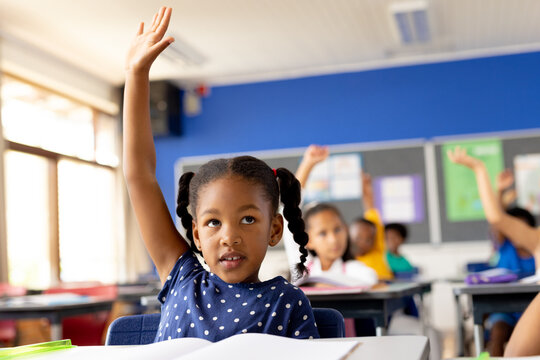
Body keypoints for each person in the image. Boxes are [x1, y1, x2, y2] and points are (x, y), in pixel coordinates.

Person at [124, 6, 319, 342]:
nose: (229, 236)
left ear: (274, 229)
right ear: (197, 235)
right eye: (213, 223)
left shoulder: (286, 302)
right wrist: (136, 74)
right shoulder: (181, 276)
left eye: (247, 219)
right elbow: (139, 174)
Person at [447, 147, 539, 356]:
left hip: (528, 307)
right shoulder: (522, 242)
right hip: (510, 310)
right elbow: (498, 219)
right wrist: (480, 170)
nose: (515, 234)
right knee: (499, 334)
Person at [302, 203, 378, 286]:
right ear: (308, 241)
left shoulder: (356, 270)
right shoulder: (303, 272)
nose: (333, 240)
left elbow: (371, 279)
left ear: (346, 229)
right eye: (323, 233)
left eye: (337, 229)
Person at [349, 174, 394, 280]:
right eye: (358, 238)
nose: (363, 243)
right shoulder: (349, 262)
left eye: (368, 240)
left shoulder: (376, 250)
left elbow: (370, 209)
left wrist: (366, 188)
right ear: (349, 237)